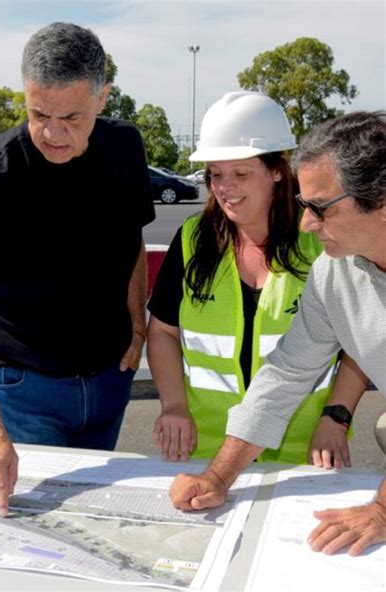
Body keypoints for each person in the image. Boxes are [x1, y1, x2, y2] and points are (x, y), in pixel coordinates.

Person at [0, 22, 155, 516]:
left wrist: (137, 323)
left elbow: (133, 240)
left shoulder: (125, 147)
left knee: (90, 522)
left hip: (110, 380)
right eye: (39, 114)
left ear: (103, 98)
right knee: (32, 531)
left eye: (71, 117)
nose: (53, 134)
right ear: (25, 95)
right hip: (24, 391)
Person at [169, 110, 386, 557]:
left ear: (381, 201)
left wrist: (381, 510)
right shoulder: (333, 274)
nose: (306, 223)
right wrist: (217, 477)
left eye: (320, 208)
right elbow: (286, 374)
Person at [147, 91, 366, 465]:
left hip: (304, 456)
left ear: (277, 171)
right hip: (207, 454)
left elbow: (359, 344)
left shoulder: (320, 243)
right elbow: (163, 331)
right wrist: (174, 406)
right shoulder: (192, 240)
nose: (224, 188)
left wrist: (336, 416)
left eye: (240, 174)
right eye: (215, 175)